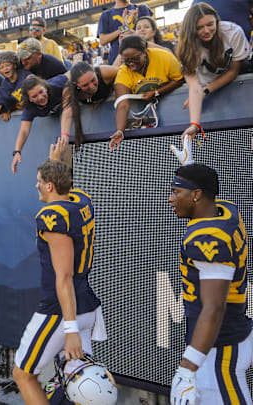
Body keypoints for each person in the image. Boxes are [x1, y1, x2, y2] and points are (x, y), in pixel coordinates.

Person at [12, 139, 103, 405]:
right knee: (77, 384)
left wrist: (70, 328)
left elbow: (62, 276)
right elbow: (66, 185)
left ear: (49, 186)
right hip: (86, 302)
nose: (36, 185)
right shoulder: (81, 200)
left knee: (23, 374)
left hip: (61, 310)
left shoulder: (52, 216)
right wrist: (57, 163)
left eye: (39, 181)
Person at [167, 163, 251, 405]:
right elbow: (206, 196)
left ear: (196, 195)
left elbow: (214, 308)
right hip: (215, 341)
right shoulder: (225, 210)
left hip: (220, 345)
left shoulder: (209, 240)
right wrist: (189, 166)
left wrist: (187, 366)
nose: (171, 199)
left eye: (176, 192)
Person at [177, 3, 251, 141]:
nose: (206, 30)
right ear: (191, 29)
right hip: (204, 84)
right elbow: (194, 87)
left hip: (232, 83)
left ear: (217, 20)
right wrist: (194, 125)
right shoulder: (186, 47)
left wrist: (206, 91)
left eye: (210, 24)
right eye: (199, 28)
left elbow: (233, 71)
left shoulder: (233, 32)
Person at [109, 35, 184, 150]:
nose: (131, 64)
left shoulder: (164, 57)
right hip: (149, 122)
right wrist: (120, 130)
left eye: (135, 58)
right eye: (126, 60)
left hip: (173, 116)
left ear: (145, 52)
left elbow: (180, 78)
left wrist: (157, 92)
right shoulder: (124, 71)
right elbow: (122, 103)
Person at [11, 74, 72, 174]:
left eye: (41, 92)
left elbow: (73, 73)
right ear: (30, 99)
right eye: (35, 96)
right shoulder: (30, 108)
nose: (40, 97)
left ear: (45, 87)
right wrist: (17, 152)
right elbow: (24, 130)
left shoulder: (56, 85)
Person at [67, 62, 119, 148]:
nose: (92, 86)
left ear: (95, 73)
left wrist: (116, 89)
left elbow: (127, 74)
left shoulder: (105, 73)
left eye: (93, 80)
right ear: (77, 85)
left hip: (109, 82)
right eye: (85, 85)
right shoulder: (68, 87)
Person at [97, 0, 153, 65]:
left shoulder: (141, 9)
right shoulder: (106, 15)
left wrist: (136, 22)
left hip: (143, 59)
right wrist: (124, 28)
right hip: (118, 62)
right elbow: (103, 40)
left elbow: (152, 34)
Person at [0, 51, 31, 127]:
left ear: (14, 65)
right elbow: (0, 100)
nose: (5, 68)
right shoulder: (5, 84)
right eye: (2, 67)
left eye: (7, 65)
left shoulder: (24, 75)